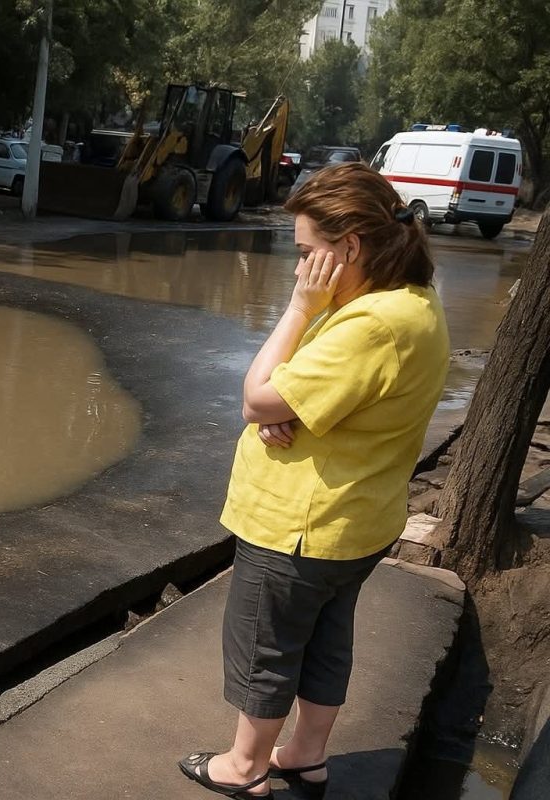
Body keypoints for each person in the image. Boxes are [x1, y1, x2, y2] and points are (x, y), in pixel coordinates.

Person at [178, 162, 449, 800]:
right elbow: (303, 393)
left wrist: (299, 311)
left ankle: (245, 767)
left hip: (300, 525)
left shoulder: (371, 324)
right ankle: (305, 754)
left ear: (349, 247)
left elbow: (256, 397)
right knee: (325, 638)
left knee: (264, 646)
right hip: (355, 521)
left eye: (306, 253)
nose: (299, 267)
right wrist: (283, 405)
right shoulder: (409, 301)